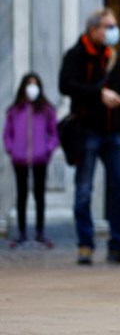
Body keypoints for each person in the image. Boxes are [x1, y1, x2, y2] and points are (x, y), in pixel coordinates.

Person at [59, 8, 120, 265]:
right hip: (87, 132)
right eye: (108, 26)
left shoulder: (112, 56)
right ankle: (85, 245)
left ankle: (118, 246)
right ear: (94, 29)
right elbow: (66, 85)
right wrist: (98, 93)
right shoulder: (77, 54)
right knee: (84, 190)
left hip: (113, 133)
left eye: (113, 26)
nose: (112, 31)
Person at [4, 73, 59, 248]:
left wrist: (47, 149)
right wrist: (12, 150)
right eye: (29, 84)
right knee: (21, 195)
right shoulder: (15, 110)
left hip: (39, 158)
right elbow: (7, 134)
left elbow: (54, 133)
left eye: (35, 84)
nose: (32, 88)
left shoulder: (46, 110)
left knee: (39, 195)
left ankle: (40, 232)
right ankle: (21, 232)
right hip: (19, 159)